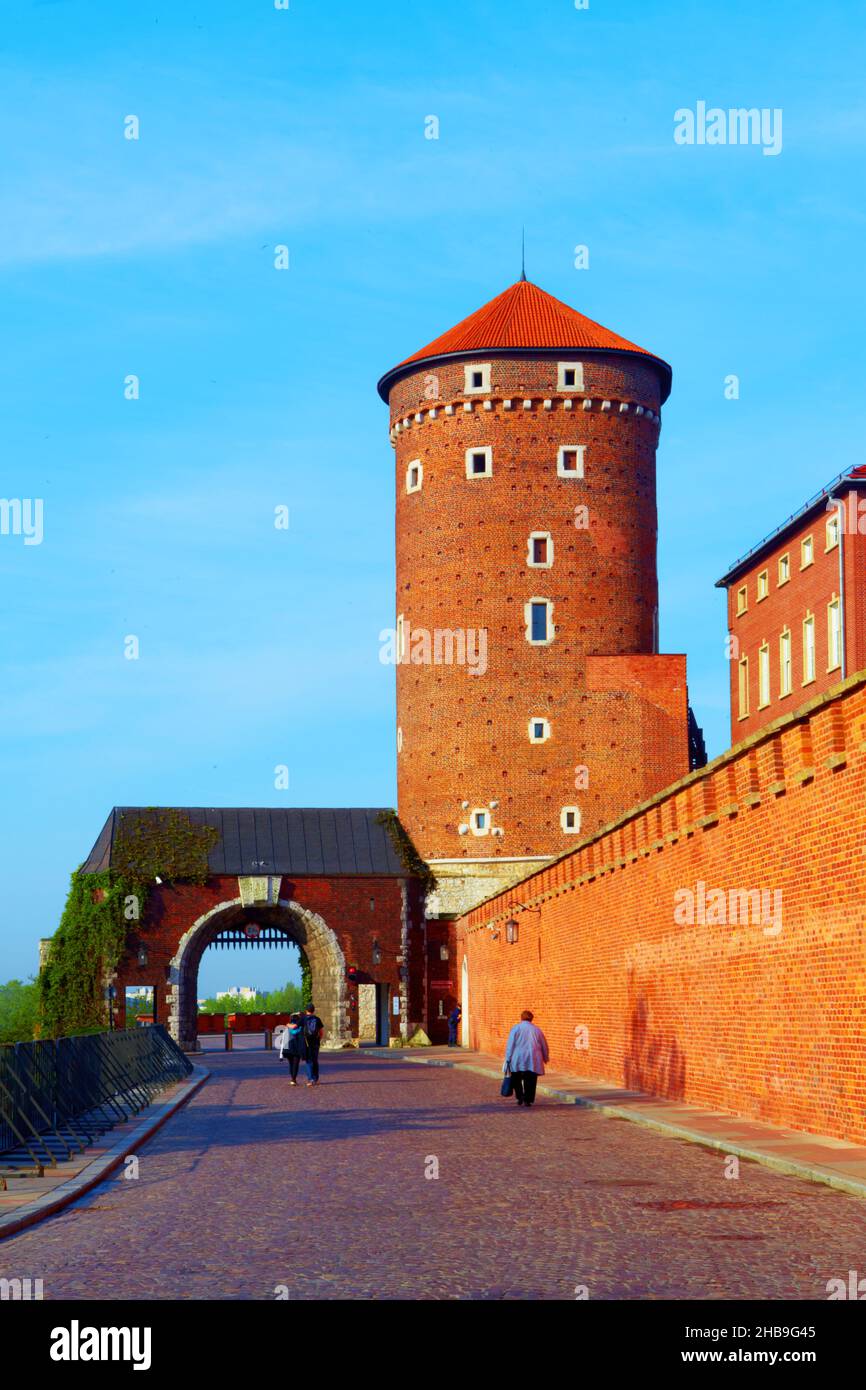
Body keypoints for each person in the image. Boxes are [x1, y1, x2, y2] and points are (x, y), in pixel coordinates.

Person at [503, 1009, 549, 1108]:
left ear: (521, 1017)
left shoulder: (516, 1028)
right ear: (531, 1019)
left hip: (517, 1058)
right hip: (533, 1059)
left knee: (516, 1079)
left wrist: (508, 1057)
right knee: (531, 1080)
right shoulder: (537, 1030)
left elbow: (510, 1045)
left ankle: (520, 1097)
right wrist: (545, 1057)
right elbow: (544, 1045)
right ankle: (528, 1099)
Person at [279, 1012, 305, 1085]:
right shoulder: (300, 1028)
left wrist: (281, 1053)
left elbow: (283, 1040)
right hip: (297, 1048)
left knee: (291, 1064)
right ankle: (293, 1079)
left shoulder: (287, 1028)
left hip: (288, 1049)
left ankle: (292, 1079)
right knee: (296, 1064)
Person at [302, 1003, 325, 1085]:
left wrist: (288, 1025)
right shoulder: (317, 1019)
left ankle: (310, 1079)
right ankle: (316, 1079)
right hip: (316, 1042)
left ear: (306, 1010)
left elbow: (296, 1028)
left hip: (307, 1042)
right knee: (315, 1060)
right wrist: (318, 1039)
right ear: (313, 1010)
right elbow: (321, 1032)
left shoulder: (303, 1019)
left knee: (308, 1060)